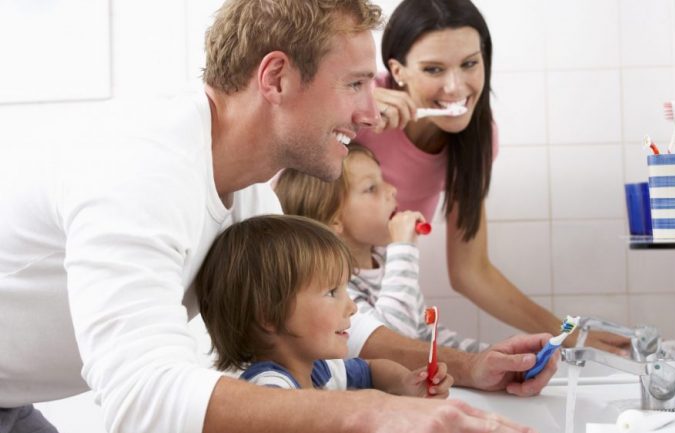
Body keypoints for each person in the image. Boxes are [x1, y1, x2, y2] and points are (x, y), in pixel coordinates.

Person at [0, 0, 552, 432]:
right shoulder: (141, 169)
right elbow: (143, 400)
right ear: (277, 78)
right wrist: (374, 414)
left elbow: (338, 318)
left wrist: (471, 367)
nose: (369, 112)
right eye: (355, 84)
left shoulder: (245, 190)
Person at [357, 0, 629, 354]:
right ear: (398, 70)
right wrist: (345, 101)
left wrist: (568, 334)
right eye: (434, 69)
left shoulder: (477, 138)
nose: (455, 87)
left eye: (469, 63)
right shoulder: (360, 105)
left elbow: (471, 271)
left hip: (383, 298)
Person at [195, 214, 453, 397]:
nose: (352, 307)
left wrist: (407, 383)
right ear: (269, 315)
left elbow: (371, 368)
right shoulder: (269, 388)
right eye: (332, 292)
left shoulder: (318, 369)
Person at [275, 144, 486, 353]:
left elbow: (425, 335)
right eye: (371, 188)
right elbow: (396, 343)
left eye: (382, 180)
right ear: (335, 220)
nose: (391, 190)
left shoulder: (385, 263)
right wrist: (403, 248)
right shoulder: (333, 285)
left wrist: (488, 355)